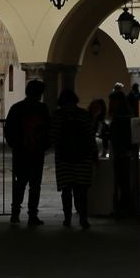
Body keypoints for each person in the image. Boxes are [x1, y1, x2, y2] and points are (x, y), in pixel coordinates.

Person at [2, 79, 51, 224]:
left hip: (21, 152)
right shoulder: (42, 109)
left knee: (20, 183)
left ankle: (15, 213)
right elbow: (48, 129)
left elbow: (8, 129)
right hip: (36, 152)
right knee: (35, 185)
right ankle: (32, 215)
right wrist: (44, 146)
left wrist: (15, 145)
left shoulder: (17, 108)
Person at [52, 89, 97, 229]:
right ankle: (83, 219)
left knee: (66, 190)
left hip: (63, 159)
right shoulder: (83, 115)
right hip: (83, 158)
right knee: (82, 191)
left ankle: (67, 218)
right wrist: (94, 153)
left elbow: (53, 137)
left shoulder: (57, 116)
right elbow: (90, 136)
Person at [107, 82, 137, 217]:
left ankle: (124, 206)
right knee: (124, 181)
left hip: (122, 153)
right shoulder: (127, 117)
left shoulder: (120, 119)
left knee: (123, 181)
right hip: (124, 152)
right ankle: (125, 205)